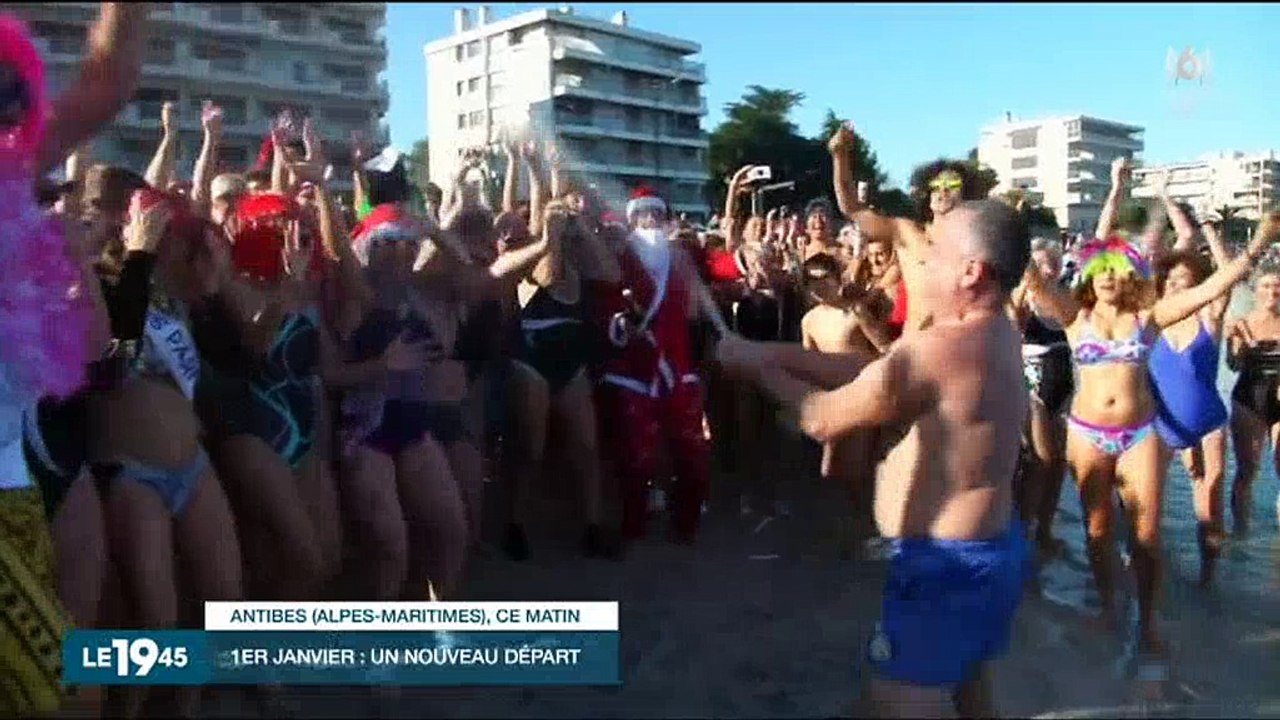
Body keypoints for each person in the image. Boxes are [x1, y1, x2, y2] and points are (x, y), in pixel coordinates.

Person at [718, 199, 1031, 717]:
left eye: (934, 250)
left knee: (895, 705)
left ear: (971, 272)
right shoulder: (991, 333)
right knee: (969, 685)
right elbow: (879, 372)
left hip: (943, 569)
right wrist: (771, 352)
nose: (921, 258)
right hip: (992, 551)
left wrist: (751, 367)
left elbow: (822, 418)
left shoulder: (938, 351)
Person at [1025, 214, 1274, 674]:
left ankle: (1149, 621)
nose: (1108, 279)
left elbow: (1213, 285)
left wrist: (1259, 242)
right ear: (1089, 277)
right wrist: (1009, 223)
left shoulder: (1150, 316)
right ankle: (1107, 606)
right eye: (1101, 271)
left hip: (1141, 433)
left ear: (1132, 278)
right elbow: (1032, 278)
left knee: (1147, 536)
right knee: (1097, 532)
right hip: (1087, 433)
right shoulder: (1073, 318)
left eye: (1118, 271)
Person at [591, 187, 716, 545]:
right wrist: (620, 324)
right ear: (632, 219)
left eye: (655, 214)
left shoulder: (682, 257)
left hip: (677, 368)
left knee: (692, 455)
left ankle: (686, 522)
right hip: (633, 368)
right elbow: (606, 305)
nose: (649, 220)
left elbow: (695, 309)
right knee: (635, 457)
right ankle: (633, 523)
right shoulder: (620, 256)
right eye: (642, 214)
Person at [1009, 237, 1074, 560]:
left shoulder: (1066, 298)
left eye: (1047, 263)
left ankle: (1044, 529)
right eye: (1034, 264)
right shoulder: (1021, 300)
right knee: (1039, 462)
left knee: (1058, 464)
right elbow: (1014, 326)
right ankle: (1022, 530)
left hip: (1063, 390)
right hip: (1032, 387)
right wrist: (1024, 286)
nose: (1041, 270)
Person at [1227, 264, 1280, 537]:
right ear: (1256, 291)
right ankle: (1241, 533)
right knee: (1247, 470)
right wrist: (1237, 343)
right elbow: (1233, 366)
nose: (1273, 291)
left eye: (1277, 286)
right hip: (1250, 400)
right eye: (1266, 286)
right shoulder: (1242, 322)